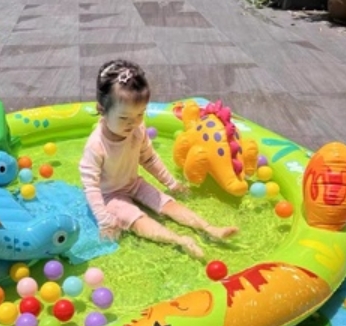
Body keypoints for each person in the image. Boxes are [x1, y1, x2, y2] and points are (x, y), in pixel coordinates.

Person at [79, 59, 238, 259]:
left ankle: (209, 228)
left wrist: (172, 183)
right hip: (109, 196)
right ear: (102, 109)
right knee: (138, 219)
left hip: (133, 184)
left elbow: (149, 159)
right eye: (124, 118)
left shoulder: (137, 129)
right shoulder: (96, 145)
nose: (133, 123)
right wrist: (104, 220)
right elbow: (91, 187)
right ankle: (180, 241)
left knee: (167, 203)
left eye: (140, 114)